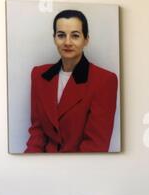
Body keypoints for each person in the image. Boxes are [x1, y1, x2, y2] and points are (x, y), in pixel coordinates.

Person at [25, 10, 118, 153]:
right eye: (61, 35)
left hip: (81, 170)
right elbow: (37, 133)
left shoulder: (104, 80)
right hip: (41, 167)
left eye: (75, 36)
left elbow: (96, 146)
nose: (67, 42)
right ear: (54, 38)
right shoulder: (39, 75)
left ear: (86, 39)